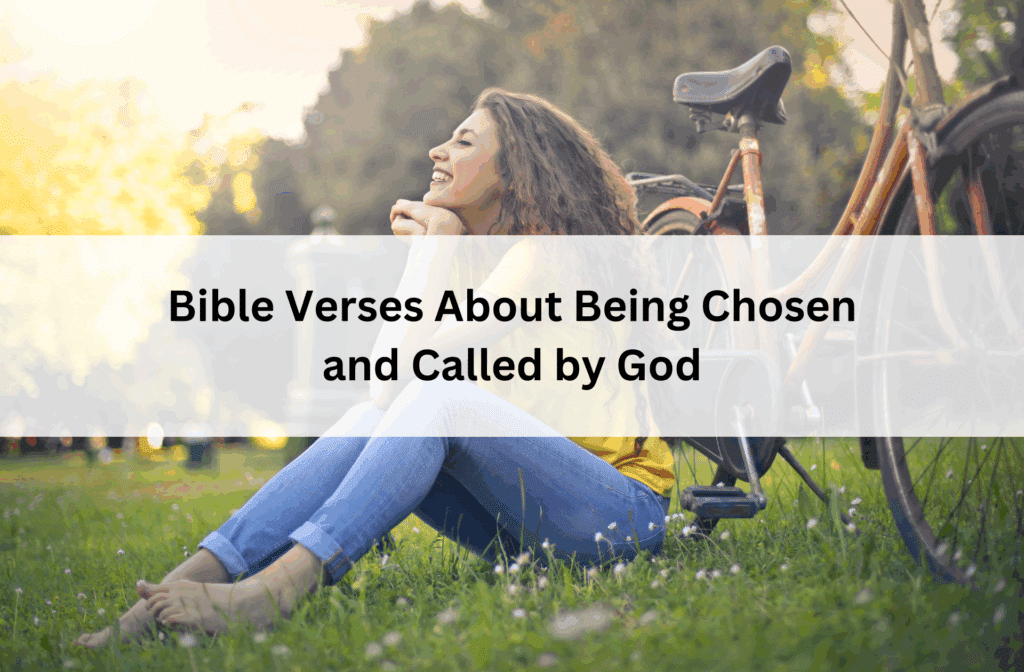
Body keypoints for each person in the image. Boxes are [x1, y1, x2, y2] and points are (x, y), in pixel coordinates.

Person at [75, 88, 675, 645]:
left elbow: (411, 389)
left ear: (513, 174)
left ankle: (276, 589)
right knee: (374, 416)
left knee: (435, 400)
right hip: (534, 526)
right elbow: (387, 391)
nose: (438, 151)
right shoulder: (481, 263)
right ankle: (166, 595)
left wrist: (434, 243)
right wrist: (437, 247)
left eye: (464, 143)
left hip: (617, 515)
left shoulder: (542, 258)